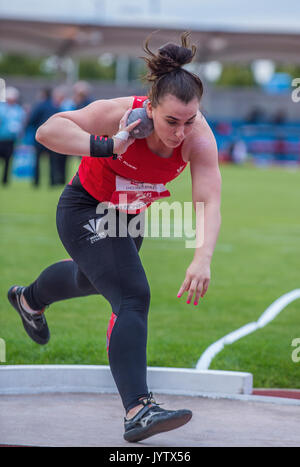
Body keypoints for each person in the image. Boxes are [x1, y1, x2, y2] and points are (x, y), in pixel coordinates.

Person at [7, 32, 221, 443]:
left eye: (190, 120)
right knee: (132, 295)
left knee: (88, 279)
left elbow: (208, 201)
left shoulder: (198, 137)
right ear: (150, 108)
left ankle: (29, 299)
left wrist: (202, 257)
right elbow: (47, 132)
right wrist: (109, 144)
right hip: (84, 209)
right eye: (171, 121)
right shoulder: (120, 113)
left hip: (128, 218)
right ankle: (138, 409)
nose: (180, 132)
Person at [26, 86, 68, 186]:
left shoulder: (39, 106)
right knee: (52, 161)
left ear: (43, 94)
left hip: (40, 138)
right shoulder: (55, 106)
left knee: (37, 161)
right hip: (52, 138)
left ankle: (36, 182)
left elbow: (31, 120)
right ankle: (52, 182)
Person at [0, 86, 25, 185]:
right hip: (1, 138)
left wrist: (19, 138)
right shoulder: (1, 108)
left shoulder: (19, 110)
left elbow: (21, 124)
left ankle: (5, 181)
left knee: (7, 161)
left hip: (10, 139)